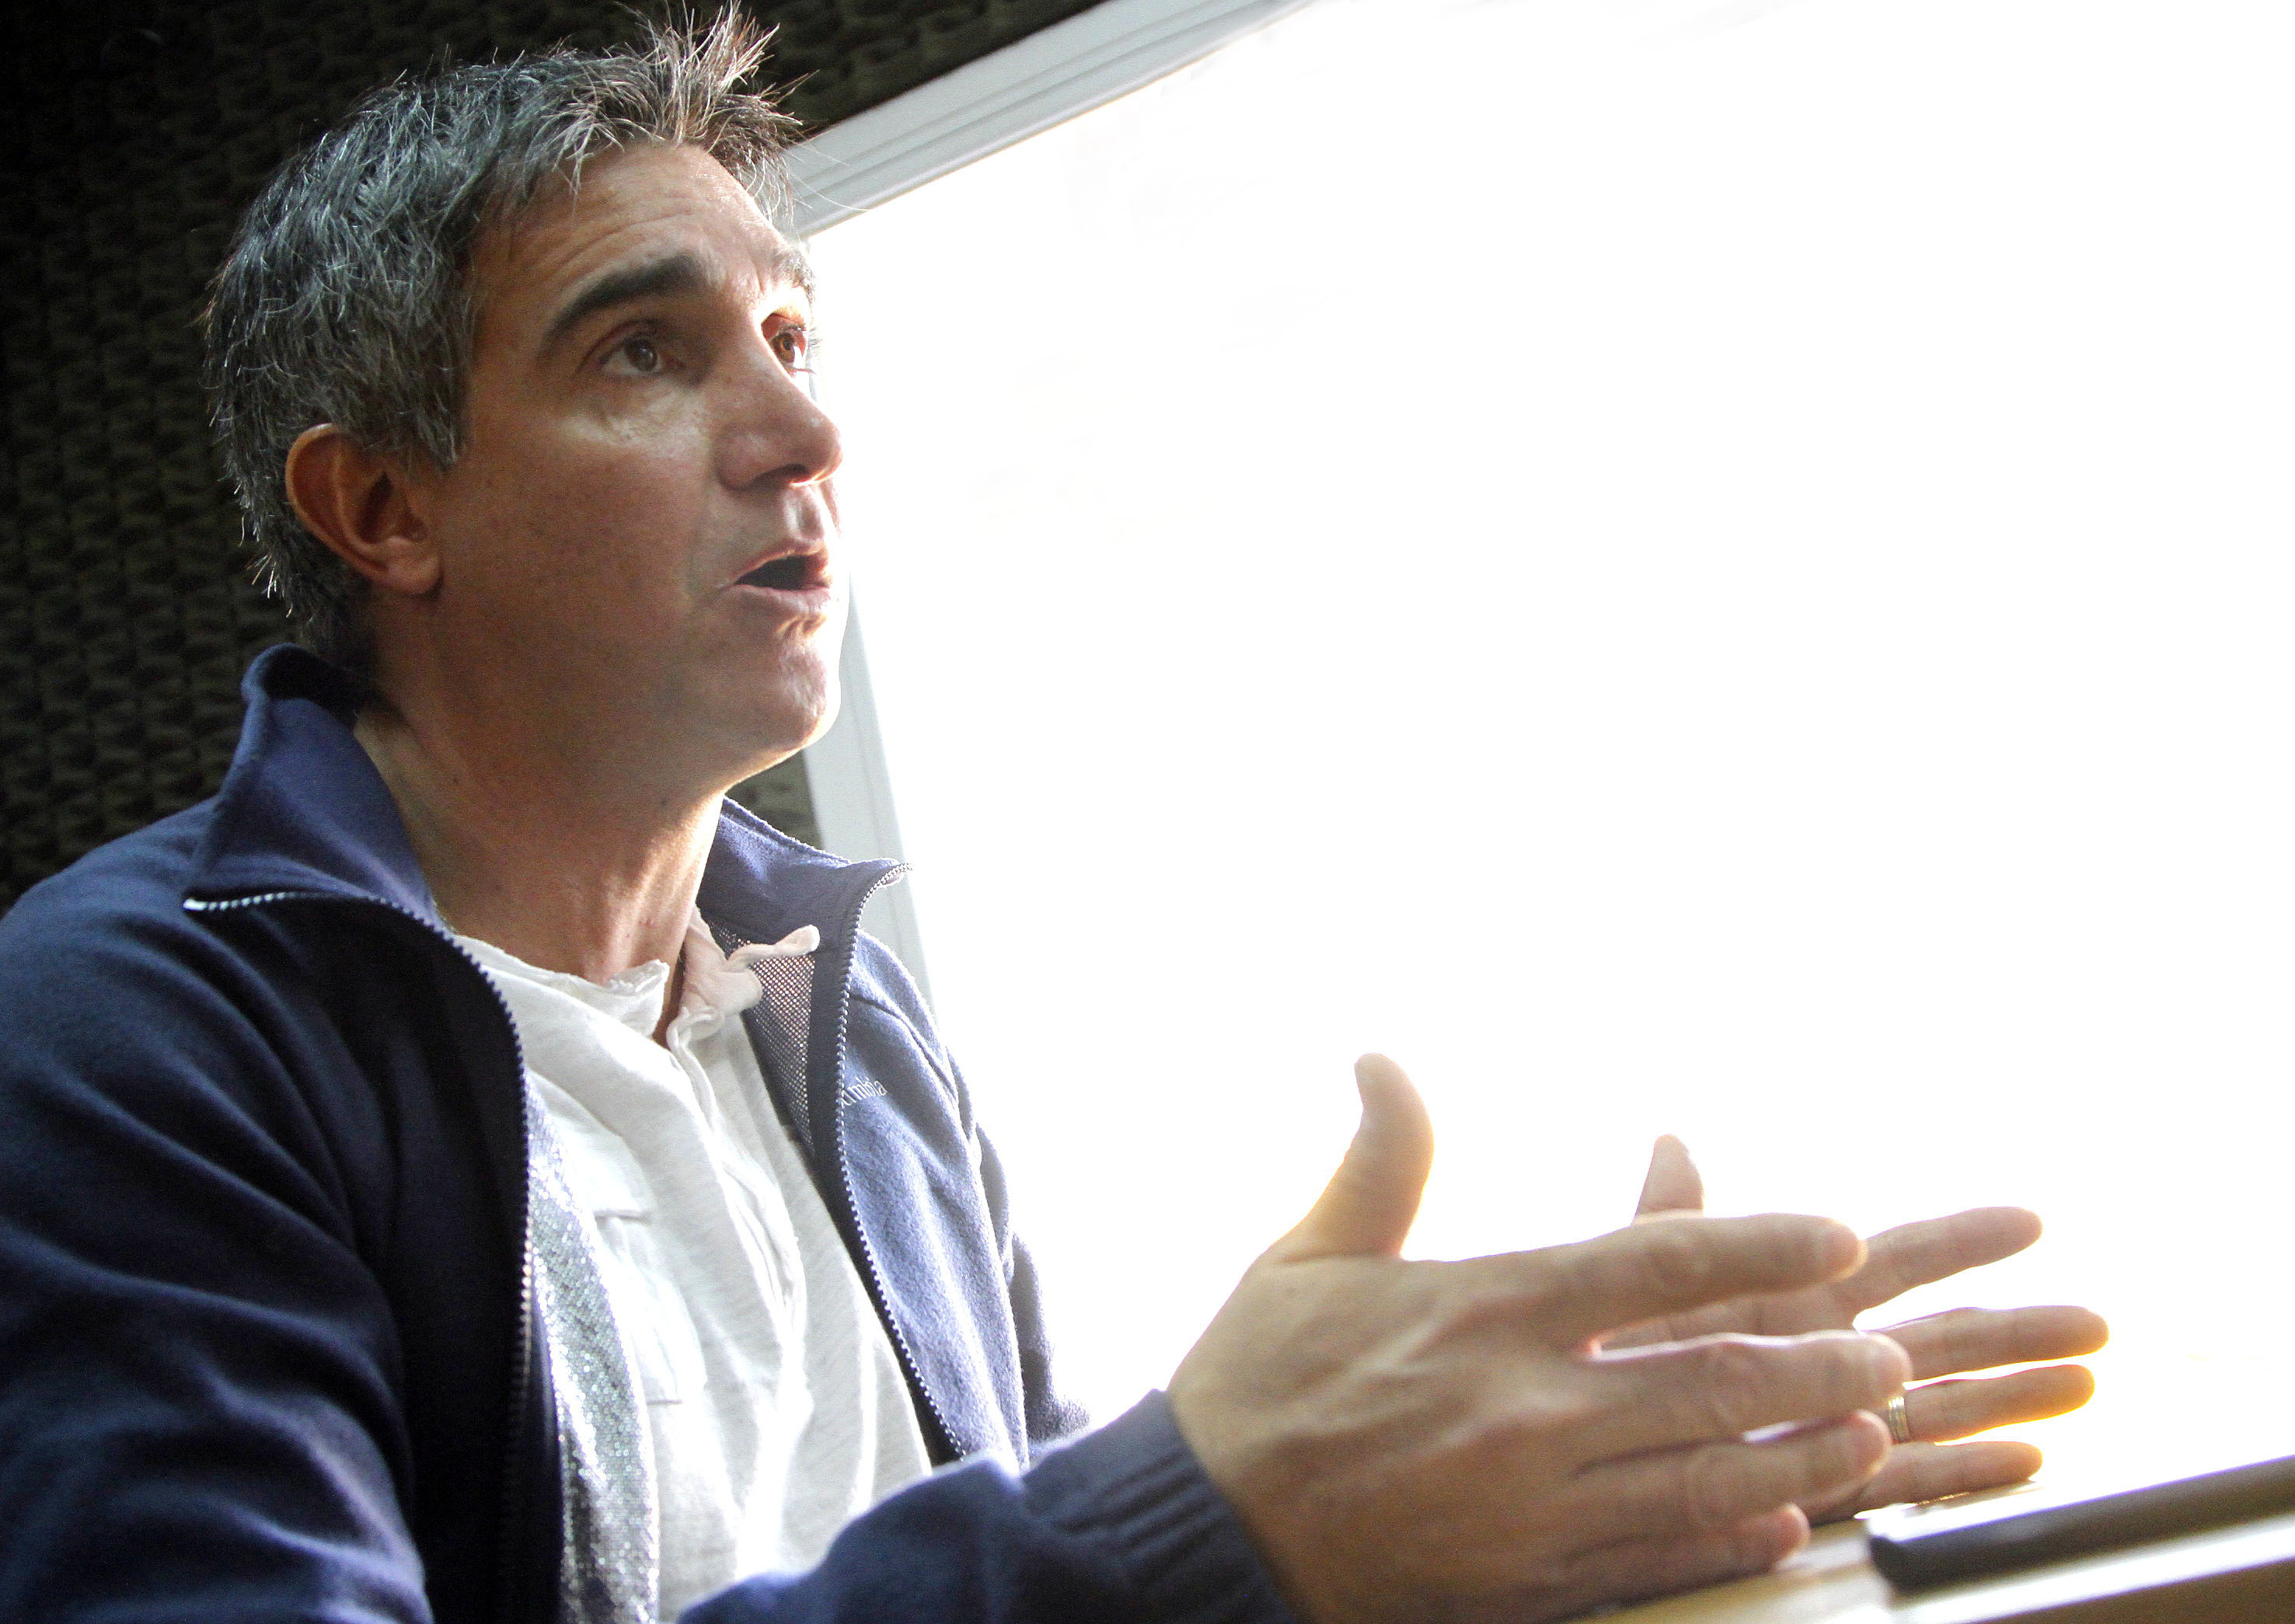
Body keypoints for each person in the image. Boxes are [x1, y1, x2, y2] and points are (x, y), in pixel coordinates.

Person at [0, 12, 2105, 1624]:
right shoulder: (128, 1030)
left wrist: (1533, 1486)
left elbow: (1050, 1566)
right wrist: (1216, 1513)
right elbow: (1099, 1569)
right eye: (646, 350)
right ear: (384, 509)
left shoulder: (845, 1021)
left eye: (794, 336)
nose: (803, 427)